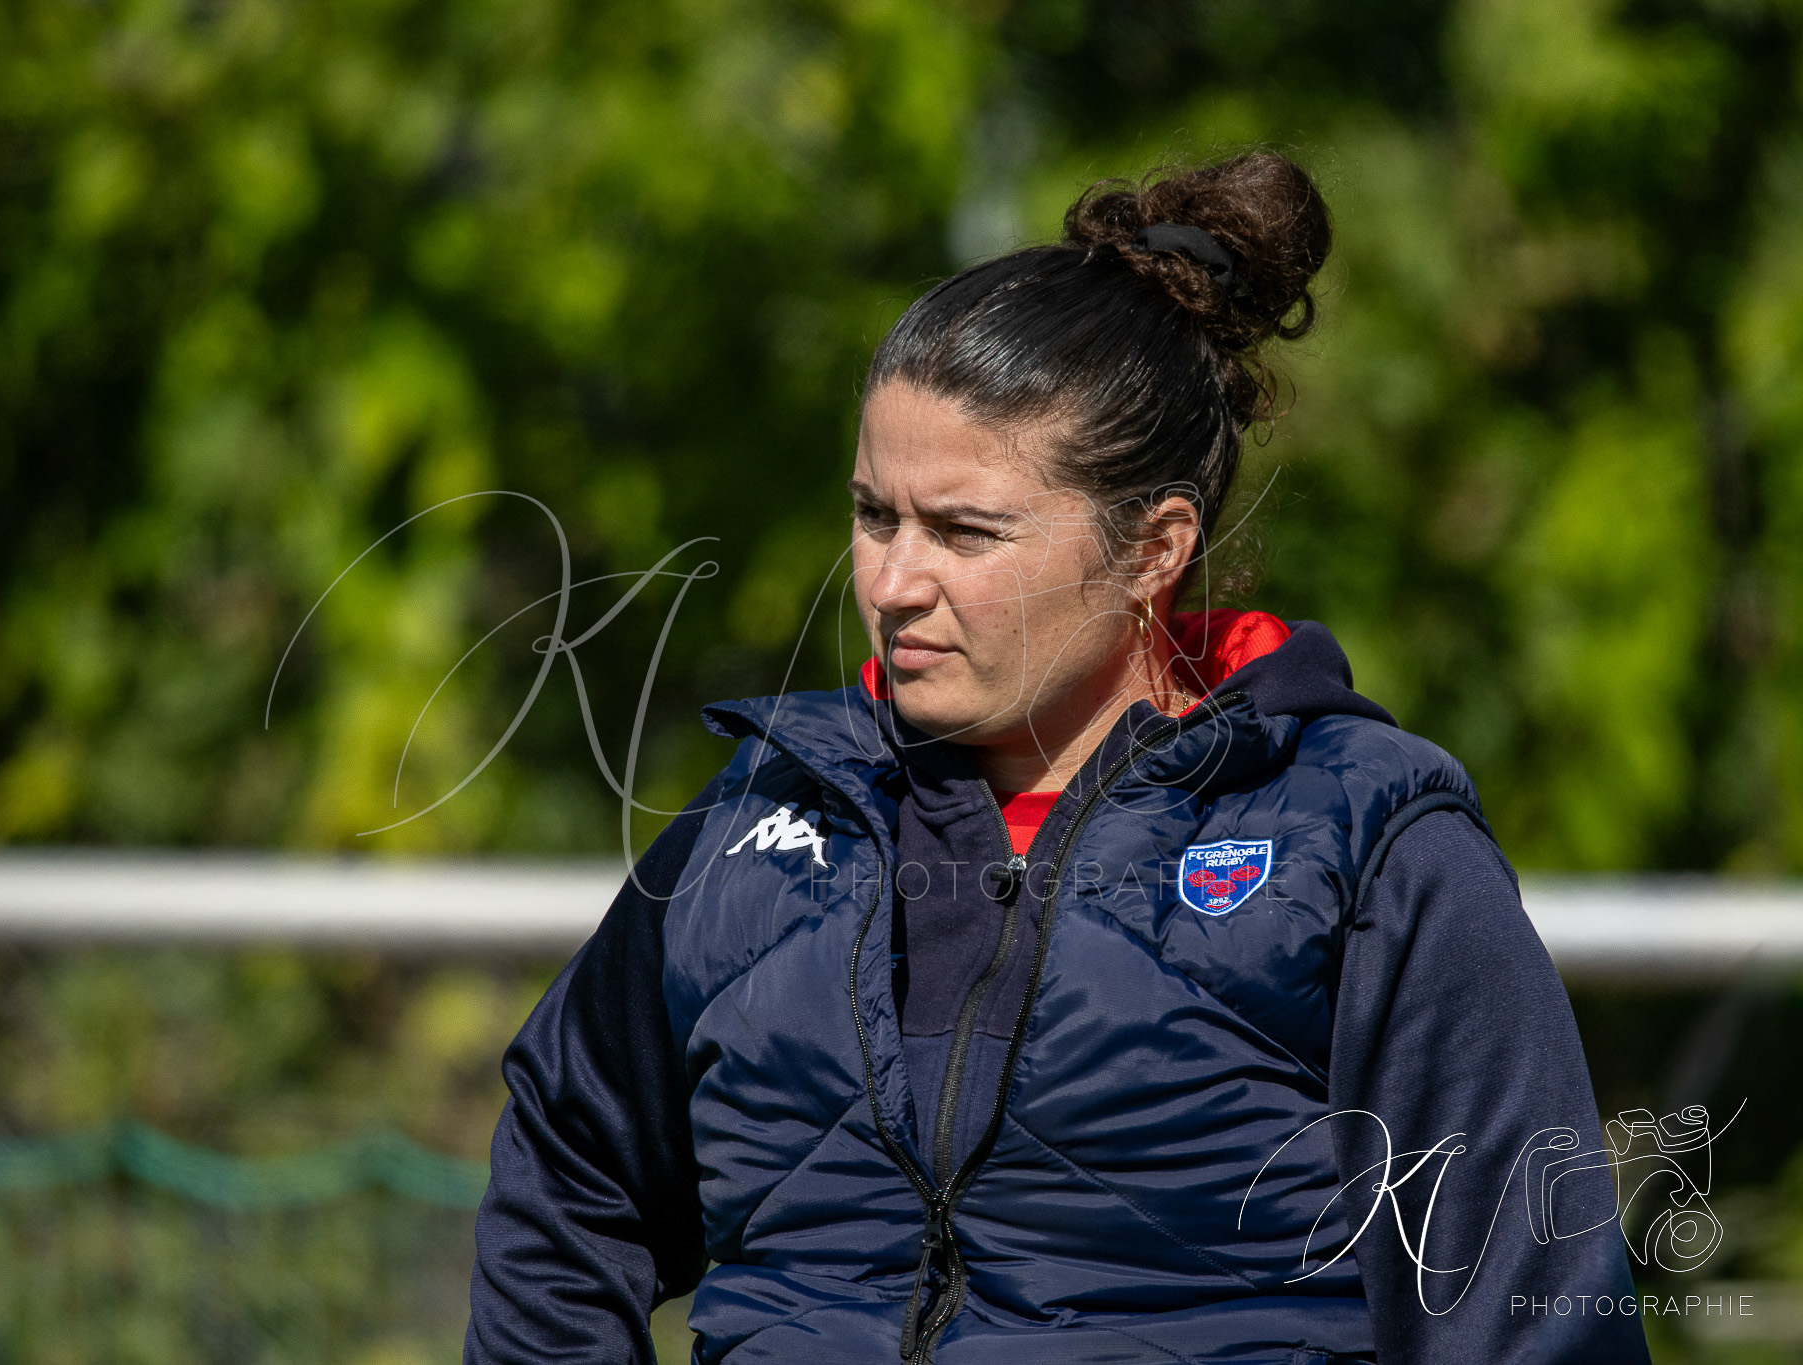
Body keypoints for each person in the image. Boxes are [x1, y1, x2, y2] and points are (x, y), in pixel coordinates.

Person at [464, 152, 1650, 1364]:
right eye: (874, 515)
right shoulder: (761, 819)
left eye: (963, 531)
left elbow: (1533, 1319)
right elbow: (568, 1172)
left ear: (1153, 548)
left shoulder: (1362, 844)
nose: (891, 582)